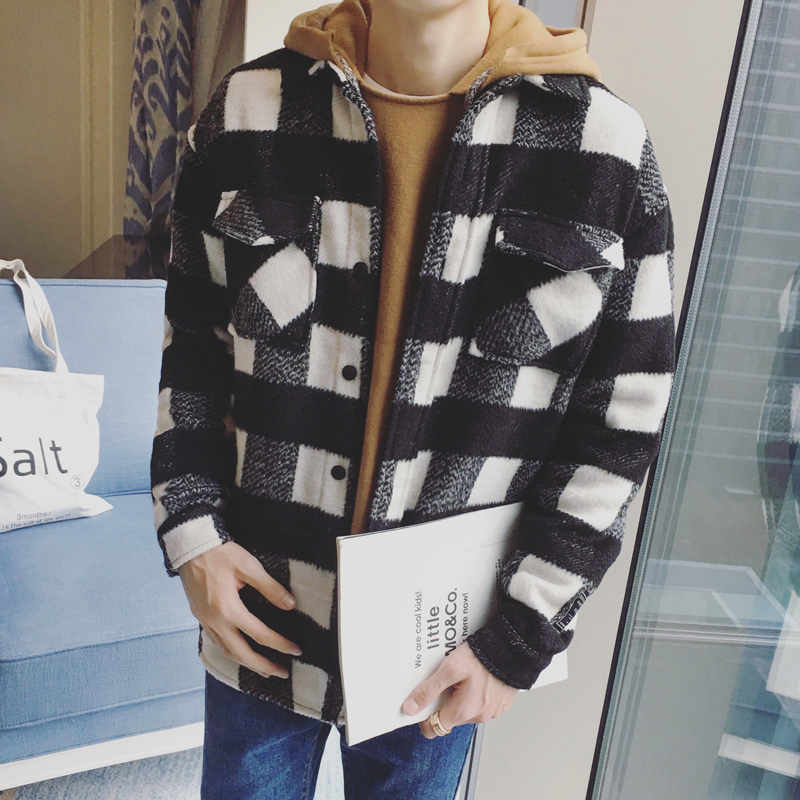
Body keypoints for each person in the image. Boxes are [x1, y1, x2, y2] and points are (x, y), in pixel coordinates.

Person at [149, 0, 676, 797]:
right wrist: (194, 537)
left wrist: (521, 637)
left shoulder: (608, 153)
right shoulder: (246, 113)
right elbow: (192, 348)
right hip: (262, 615)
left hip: (444, 654)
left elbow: (621, 425)